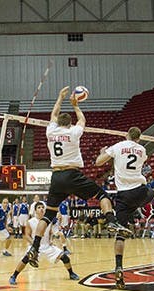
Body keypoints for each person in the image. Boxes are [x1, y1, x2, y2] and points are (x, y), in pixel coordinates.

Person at [26, 87, 125, 269]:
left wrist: (60, 97)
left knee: (48, 215)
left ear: (57, 123)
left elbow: (53, 114)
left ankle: (35, 247)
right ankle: (112, 223)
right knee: (103, 197)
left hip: (56, 176)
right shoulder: (73, 132)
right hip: (72, 174)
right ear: (70, 124)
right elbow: (82, 120)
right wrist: (76, 105)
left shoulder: (50, 132)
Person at [95, 126, 154, 289]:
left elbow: (98, 163)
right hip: (139, 191)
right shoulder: (142, 150)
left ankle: (118, 267)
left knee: (120, 235)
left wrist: (103, 152)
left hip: (123, 196)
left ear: (126, 135)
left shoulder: (118, 146)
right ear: (139, 138)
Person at [9, 202, 78, 285]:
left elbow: (50, 233)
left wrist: (51, 240)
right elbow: (26, 235)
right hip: (35, 246)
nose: (41, 209)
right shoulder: (30, 221)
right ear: (35, 210)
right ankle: (13, 276)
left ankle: (71, 274)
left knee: (65, 258)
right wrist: (34, 245)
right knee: (25, 260)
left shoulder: (48, 221)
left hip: (47, 246)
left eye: (42, 207)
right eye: (39, 207)